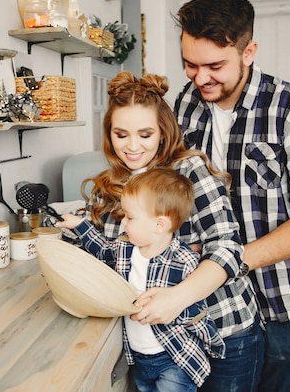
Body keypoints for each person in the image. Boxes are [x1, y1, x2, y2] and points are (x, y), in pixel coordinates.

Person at [174, 0, 290, 392]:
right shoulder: (185, 104)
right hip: (214, 305)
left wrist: (231, 261)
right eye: (189, 64)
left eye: (214, 66)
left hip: (283, 297)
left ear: (248, 51)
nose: (200, 78)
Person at [57, 71, 263, 392]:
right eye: (121, 134)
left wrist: (178, 297)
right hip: (153, 349)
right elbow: (100, 254)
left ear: (163, 134)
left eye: (145, 133)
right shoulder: (108, 187)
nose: (133, 146)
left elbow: (227, 248)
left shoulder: (188, 172)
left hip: (221, 331)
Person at [59, 167, 225, 391]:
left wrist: (160, 308)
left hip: (174, 359)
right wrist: (80, 226)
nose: (123, 222)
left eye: (130, 216)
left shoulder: (183, 259)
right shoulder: (125, 247)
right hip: (138, 358)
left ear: (159, 225)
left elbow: (197, 310)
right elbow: (102, 250)